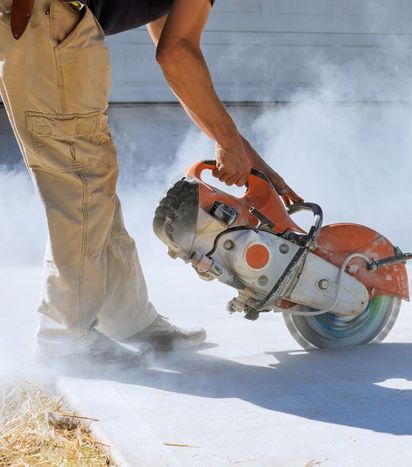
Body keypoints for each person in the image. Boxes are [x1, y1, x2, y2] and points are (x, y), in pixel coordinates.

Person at [0, 0, 302, 367]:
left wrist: (238, 146)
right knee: (81, 182)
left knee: (93, 180)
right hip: (49, 20)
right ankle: (65, 337)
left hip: (53, 22)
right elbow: (176, 52)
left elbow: (173, 52)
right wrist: (227, 142)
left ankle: (127, 320)